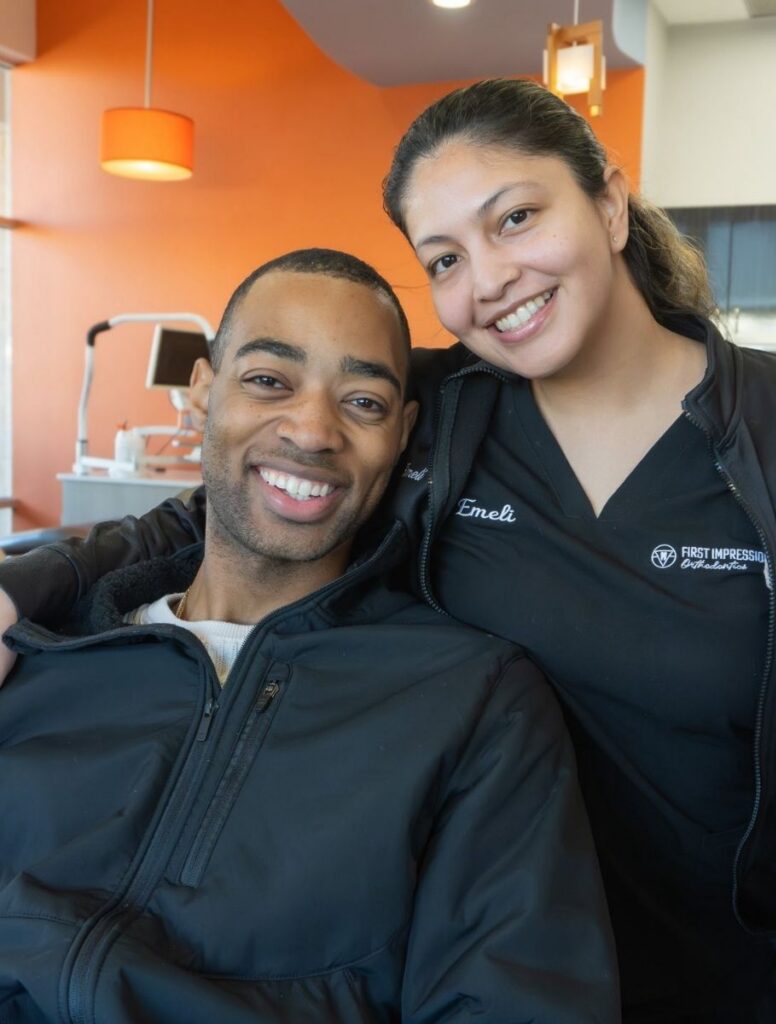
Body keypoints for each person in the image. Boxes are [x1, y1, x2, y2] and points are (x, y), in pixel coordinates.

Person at [2, 78, 776, 1021]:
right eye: (443, 259)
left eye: (514, 218)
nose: (488, 280)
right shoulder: (447, 414)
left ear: (607, 200)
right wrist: (21, 589)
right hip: (465, 928)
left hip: (717, 979)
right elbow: (228, 501)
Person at [0, 248, 618, 1023]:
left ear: (401, 434)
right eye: (268, 381)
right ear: (203, 394)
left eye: (362, 402)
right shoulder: (40, 653)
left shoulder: (471, 701)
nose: (313, 429)